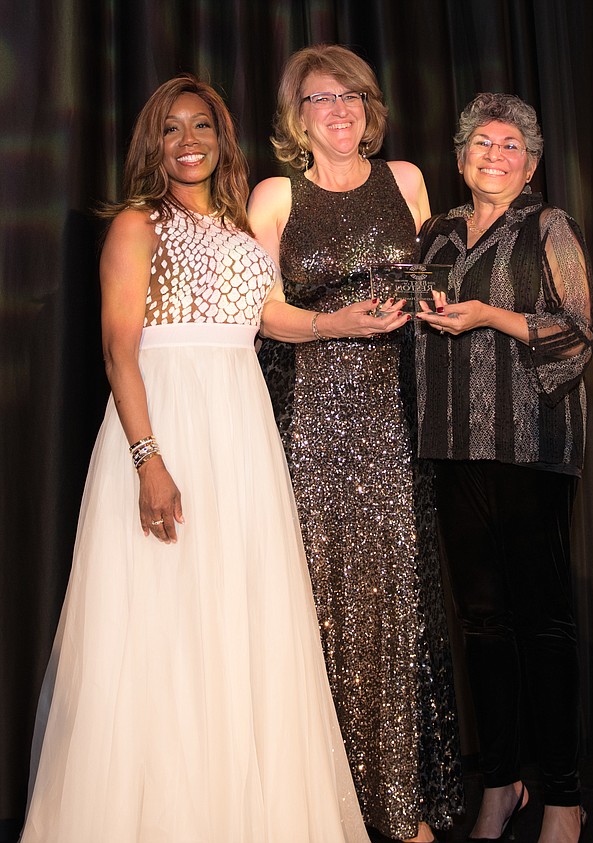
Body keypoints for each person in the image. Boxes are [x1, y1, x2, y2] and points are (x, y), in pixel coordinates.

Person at [19, 74, 371, 843]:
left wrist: (337, 320)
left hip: (241, 437)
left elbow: (267, 317)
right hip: (166, 430)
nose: (188, 140)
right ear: (154, 142)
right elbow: (119, 351)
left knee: (238, 623)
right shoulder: (135, 226)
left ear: (222, 138)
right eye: (172, 128)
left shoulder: (243, 232)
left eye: (201, 126)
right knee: (161, 624)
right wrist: (148, 459)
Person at [247, 44, 463, 843]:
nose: (337, 111)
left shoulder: (405, 180)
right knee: (321, 600)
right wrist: (333, 323)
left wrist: (433, 305)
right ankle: (319, 803)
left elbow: (431, 277)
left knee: (394, 598)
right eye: (318, 99)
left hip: (396, 409)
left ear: (370, 110)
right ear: (295, 116)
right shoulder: (275, 194)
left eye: (350, 97)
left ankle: (394, 796)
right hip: (312, 415)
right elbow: (262, 311)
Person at [415, 92, 593, 843]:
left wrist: (489, 315)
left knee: (542, 623)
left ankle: (563, 795)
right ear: (461, 159)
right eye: (482, 144)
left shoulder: (549, 227)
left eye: (511, 145)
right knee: (480, 623)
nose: (496, 154)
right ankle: (500, 783)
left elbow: (579, 330)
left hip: (530, 446)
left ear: (531, 162)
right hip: (452, 445)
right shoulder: (435, 233)